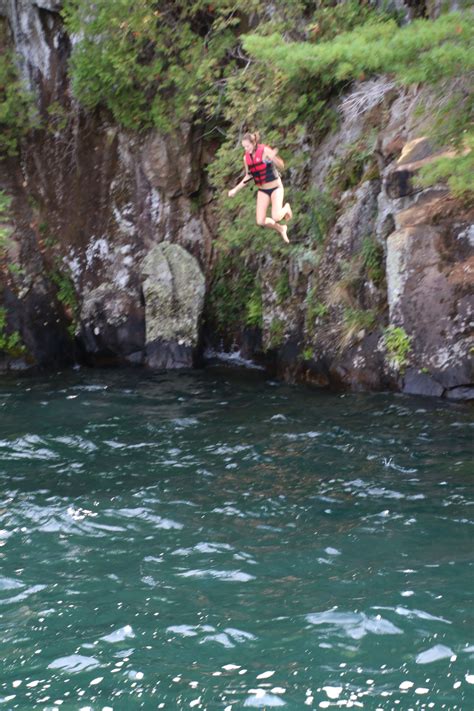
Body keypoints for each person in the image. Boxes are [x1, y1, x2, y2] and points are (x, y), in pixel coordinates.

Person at [228, 131, 293, 243]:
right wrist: (235, 189)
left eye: (247, 146)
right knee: (260, 221)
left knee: (276, 217)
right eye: (244, 147)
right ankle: (281, 228)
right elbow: (249, 176)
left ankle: (286, 208)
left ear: (253, 143)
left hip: (276, 187)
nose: (246, 149)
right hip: (263, 190)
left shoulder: (265, 150)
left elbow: (282, 166)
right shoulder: (246, 158)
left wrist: (274, 159)